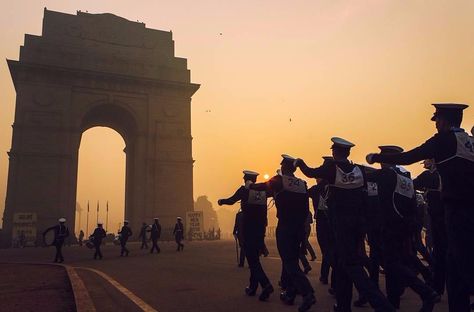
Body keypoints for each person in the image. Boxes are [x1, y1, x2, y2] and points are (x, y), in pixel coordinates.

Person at [366, 103, 474, 312]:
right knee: (457, 263)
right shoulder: (470, 142)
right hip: (468, 210)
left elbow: (408, 157)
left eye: (438, 121)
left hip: (456, 211)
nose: (436, 125)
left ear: (444, 121)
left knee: (459, 267)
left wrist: (377, 157)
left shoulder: (443, 140)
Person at [295, 138, 395, 312]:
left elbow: (310, 172)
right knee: (342, 265)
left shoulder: (331, 168)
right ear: (348, 153)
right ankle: (343, 305)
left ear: (334, 153)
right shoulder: (359, 170)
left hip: (340, 224)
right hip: (358, 225)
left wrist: (300, 162)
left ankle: (383, 305)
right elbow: (375, 180)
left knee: (351, 265)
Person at [367, 146, 438, 311]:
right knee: (397, 265)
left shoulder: (387, 175)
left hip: (390, 226)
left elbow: (365, 175)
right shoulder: (405, 177)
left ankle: (426, 291)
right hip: (405, 226)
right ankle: (393, 302)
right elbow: (413, 204)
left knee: (393, 265)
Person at [251, 155, 316, 312]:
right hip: (299, 227)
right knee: (292, 259)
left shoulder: (279, 181)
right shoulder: (302, 184)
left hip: (286, 226)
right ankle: (291, 293)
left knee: (289, 262)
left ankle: (308, 293)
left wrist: (249, 186)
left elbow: (261, 187)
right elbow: (305, 209)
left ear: (284, 168)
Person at [218, 170, 274, 301]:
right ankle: (253, 287)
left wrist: (221, 201)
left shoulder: (244, 190)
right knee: (254, 257)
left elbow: (232, 200)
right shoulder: (263, 191)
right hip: (260, 228)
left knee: (252, 259)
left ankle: (266, 285)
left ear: (245, 179)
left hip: (248, 227)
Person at [414, 159, 447, 296]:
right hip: (446, 215)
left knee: (441, 252)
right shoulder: (444, 172)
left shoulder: (429, 175)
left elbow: (414, 183)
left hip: (438, 216)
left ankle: (438, 286)